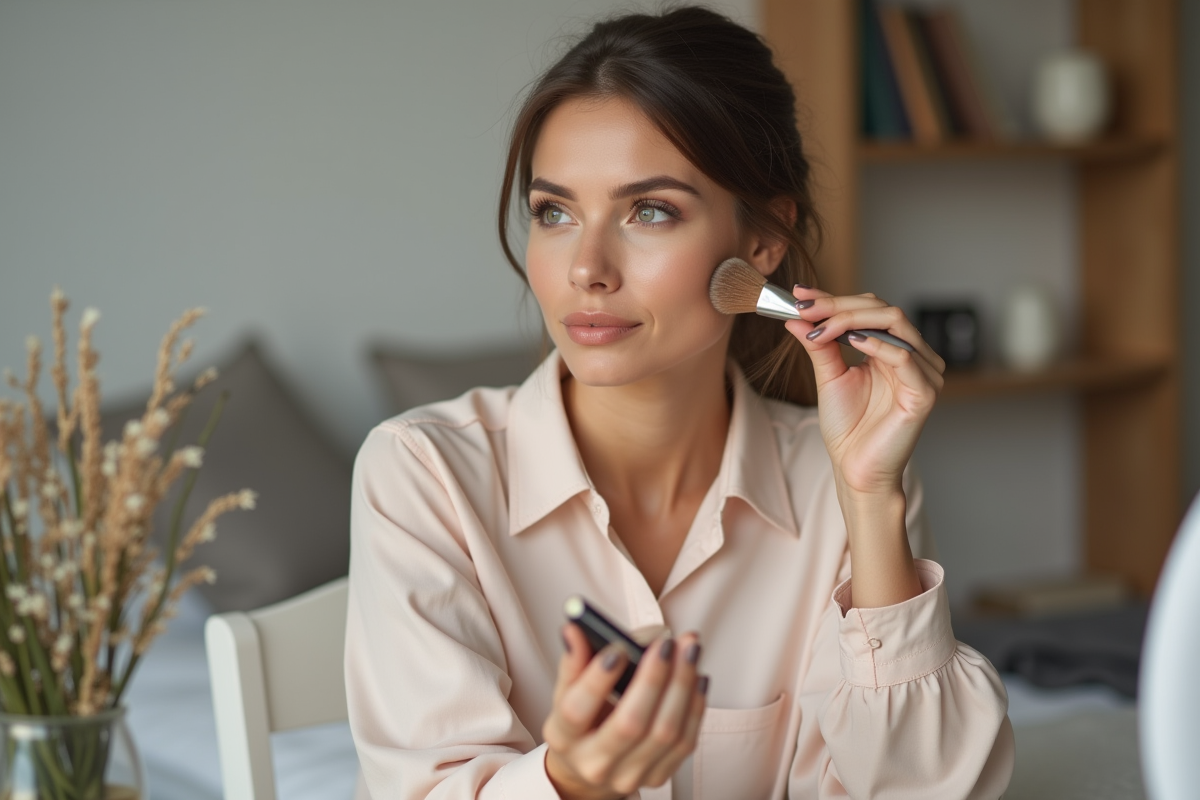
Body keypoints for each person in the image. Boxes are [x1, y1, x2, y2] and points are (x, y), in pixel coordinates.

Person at [345, 6, 1014, 799]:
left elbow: (932, 790)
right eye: (553, 212)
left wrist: (871, 500)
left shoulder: (841, 484)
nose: (586, 268)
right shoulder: (423, 475)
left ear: (763, 242)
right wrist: (567, 782)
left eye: (649, 211)